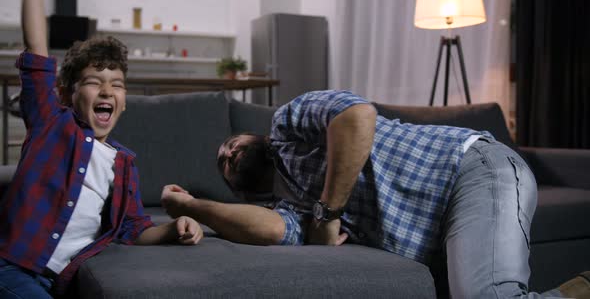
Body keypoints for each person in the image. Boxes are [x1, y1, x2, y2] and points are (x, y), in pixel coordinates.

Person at [162, 89, 590, 298]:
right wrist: (190, 206)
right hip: (447, 228)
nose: (228, 152)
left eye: (232, 143)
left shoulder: (287, 126)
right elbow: (271, 231)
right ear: (240, 191)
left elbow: (357, 116)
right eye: (222, 162)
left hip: (470, 170)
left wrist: (328, 215)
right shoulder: (285, 207)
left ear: (256, 137)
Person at [0, 0, 203, 297]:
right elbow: (36, 49)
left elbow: (133, 228)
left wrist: (174, 229)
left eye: (117, 86)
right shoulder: (51, 123)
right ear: (67, 95)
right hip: (11, 267)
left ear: (123, 103)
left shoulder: (123, 165)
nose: (107, 91)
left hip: (58, 282)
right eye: (94, 82)